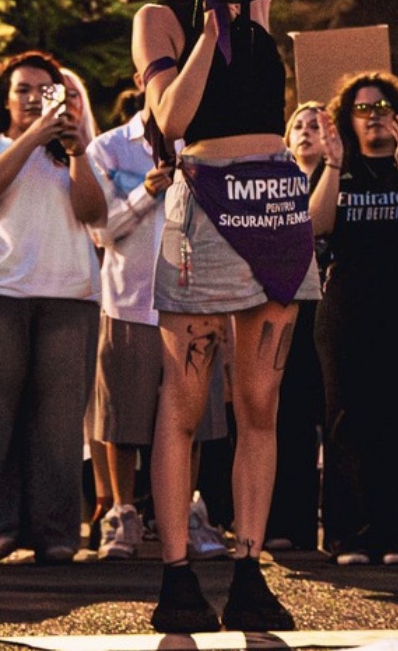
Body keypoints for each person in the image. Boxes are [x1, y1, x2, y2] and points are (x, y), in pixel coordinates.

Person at [132, 0, 310, 634]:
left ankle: (248, 563)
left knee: (261, 402)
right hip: (204, 204)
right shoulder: (163, 16)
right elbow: (170, 114)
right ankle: (173, 570)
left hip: (273, 204)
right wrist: (208, 22)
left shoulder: (260, 6)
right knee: (188, 399)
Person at [0, 51, 104, 565]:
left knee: (60, 427)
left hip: (70, 298)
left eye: (45, 90)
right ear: (4, 97)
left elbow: (94, 213)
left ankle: (56, 531)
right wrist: (32, 137)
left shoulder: (77, 152)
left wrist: (78, 148)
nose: (32, 98)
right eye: (22, 89)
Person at [88, 92, 230, 560]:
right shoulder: (109, 148)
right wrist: (145, 192)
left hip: (195, 300)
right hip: (131, 302)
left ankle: (188, 512)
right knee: (123, 421)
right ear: (140, 81)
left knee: (193, 417)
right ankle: (124, 513)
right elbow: (99, 229)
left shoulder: (209, 146)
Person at [312, 72, 398, 564]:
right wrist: (331, 165)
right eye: (362, 109)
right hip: (347, 309)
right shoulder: (336, 167)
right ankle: (349, 533)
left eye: (383, 107)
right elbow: (317, 225)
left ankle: (394, 533)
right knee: (347, 420)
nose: (373, 118)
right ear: (347, 119)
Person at [268, 101, 328, 552]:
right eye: (299, 125)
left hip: (331, 307)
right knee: (287, 414)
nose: (307, 132)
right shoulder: (272, 182)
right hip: (285, 306)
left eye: (317, 125)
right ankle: (286, 523)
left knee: (327, 414)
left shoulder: (339, 179)